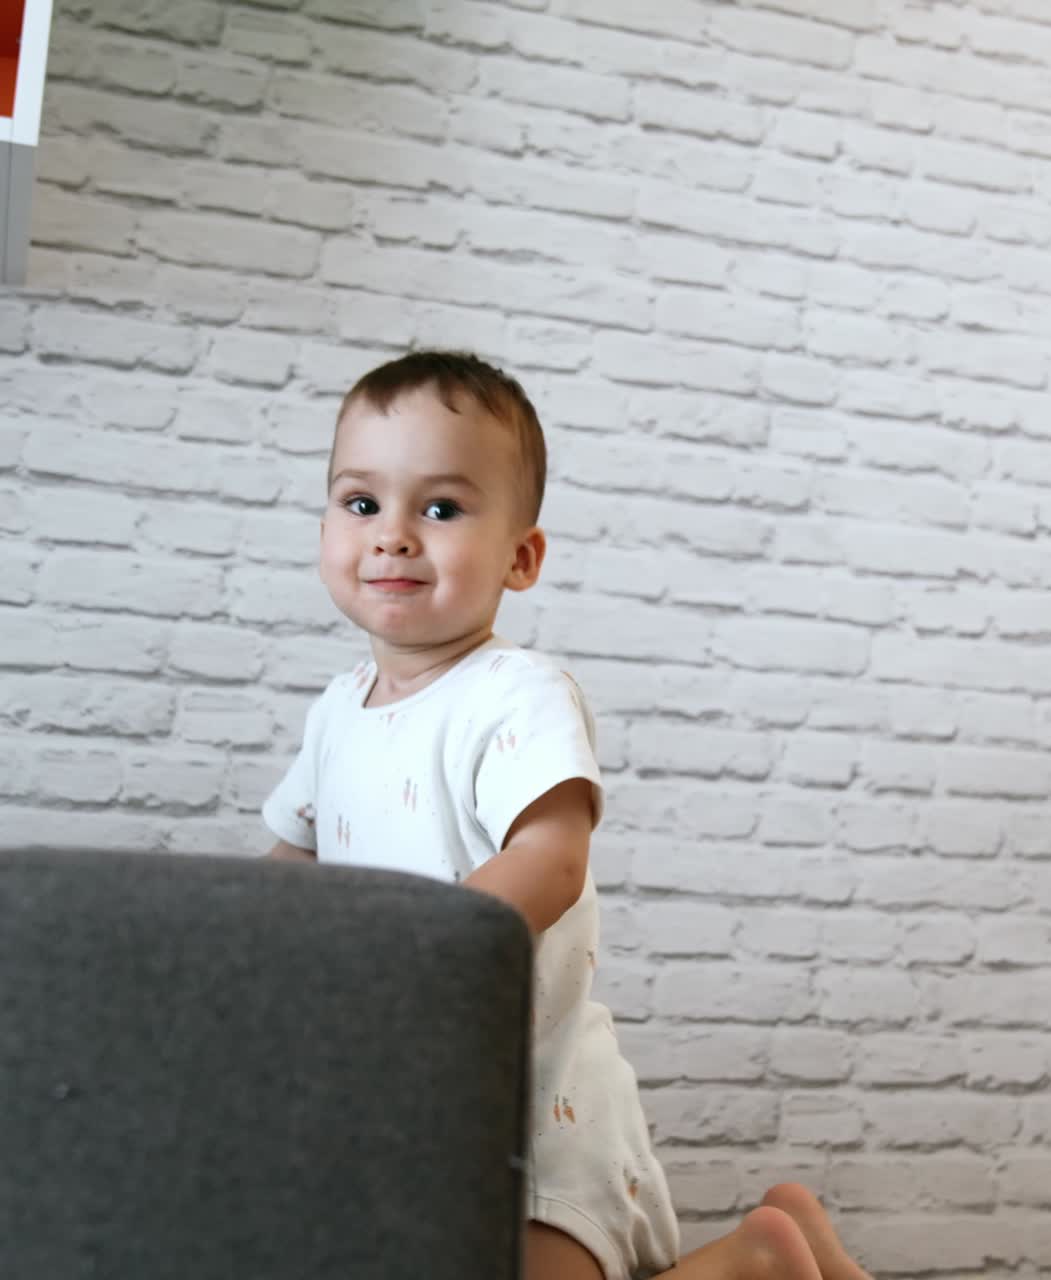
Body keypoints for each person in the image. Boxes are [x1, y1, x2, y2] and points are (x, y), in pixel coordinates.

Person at [262, 350, 874, 1280]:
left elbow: (550, 857)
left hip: (535, 1100)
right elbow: (286, 866)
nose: (392, 536)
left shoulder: (515, 692)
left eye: (440, 508)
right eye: (360, 503)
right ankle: (777, 1248)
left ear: (522, 556)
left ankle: (752, 1267)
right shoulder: (336, 713)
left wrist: (418, 951)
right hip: (419, 1090)